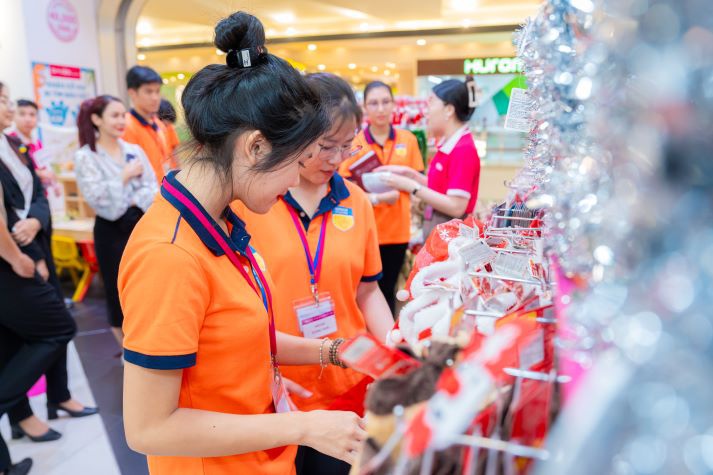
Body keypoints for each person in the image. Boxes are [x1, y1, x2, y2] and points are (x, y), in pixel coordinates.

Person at [118, 12, 365, 475]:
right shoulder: (169, 256)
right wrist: (305, 428)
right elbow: (148, 428)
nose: (295, 180)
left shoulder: (220, 222)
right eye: (298, 161)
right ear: (254, 147)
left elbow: (244, 339)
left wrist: (335, 350)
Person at [237, 73, 393, 475]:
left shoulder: (356, 202)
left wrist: (392, 347)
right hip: (274, 387)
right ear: (294, 136)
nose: (337, 159)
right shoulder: (252, 203)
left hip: (345, 385)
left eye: (347, 145)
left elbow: (368, 291)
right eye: (325, 146)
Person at [0, 81, 77, 475]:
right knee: (57, 327)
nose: (10, 109)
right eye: (3, 101)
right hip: (10, 259)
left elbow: (37, 198)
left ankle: (20, 423)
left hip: (26, 247)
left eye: (9, 100)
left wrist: (35, 223)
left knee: (11, 342)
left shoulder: (14, 146)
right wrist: (20, 257)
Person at [75, 95, 158, 348]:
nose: (121, 121)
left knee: (148, 284)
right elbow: (98, 198)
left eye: (123, 115)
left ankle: (151, 341)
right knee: (117, 289)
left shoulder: (134, 151)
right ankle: (128, 350)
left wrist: (129, 196)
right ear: (96, 119)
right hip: (110, 231)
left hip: (140, 224)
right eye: (114, 115)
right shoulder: (86, 156)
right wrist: (123, 177)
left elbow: (152, 187)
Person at [339, 81, 424, 314]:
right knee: (360, 291)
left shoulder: (408, 140)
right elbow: (343, 187)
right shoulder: (354, 143)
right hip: (362, 229)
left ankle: (387, 342)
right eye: (373, 103)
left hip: (397, 231)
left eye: (386, 102)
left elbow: (418, 180)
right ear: (364, 107)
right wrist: (376, 198)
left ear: (394, 104)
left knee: (387, 290)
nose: (380, 108)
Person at [378, 77, 481, 239]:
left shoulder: (463, 149)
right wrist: (409, 174)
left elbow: (456, 206)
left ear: (449, 110)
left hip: (450, 237)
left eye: (431, 103)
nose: (426, 112)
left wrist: (411, 186)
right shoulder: (449, 144)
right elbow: (441, 187)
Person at [122, 66, 171, 182]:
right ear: (132, 93)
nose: (155, 98)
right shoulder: (126, 127)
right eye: (148, 91)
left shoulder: (159, 124)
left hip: (163, 191)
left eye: (157, 91)